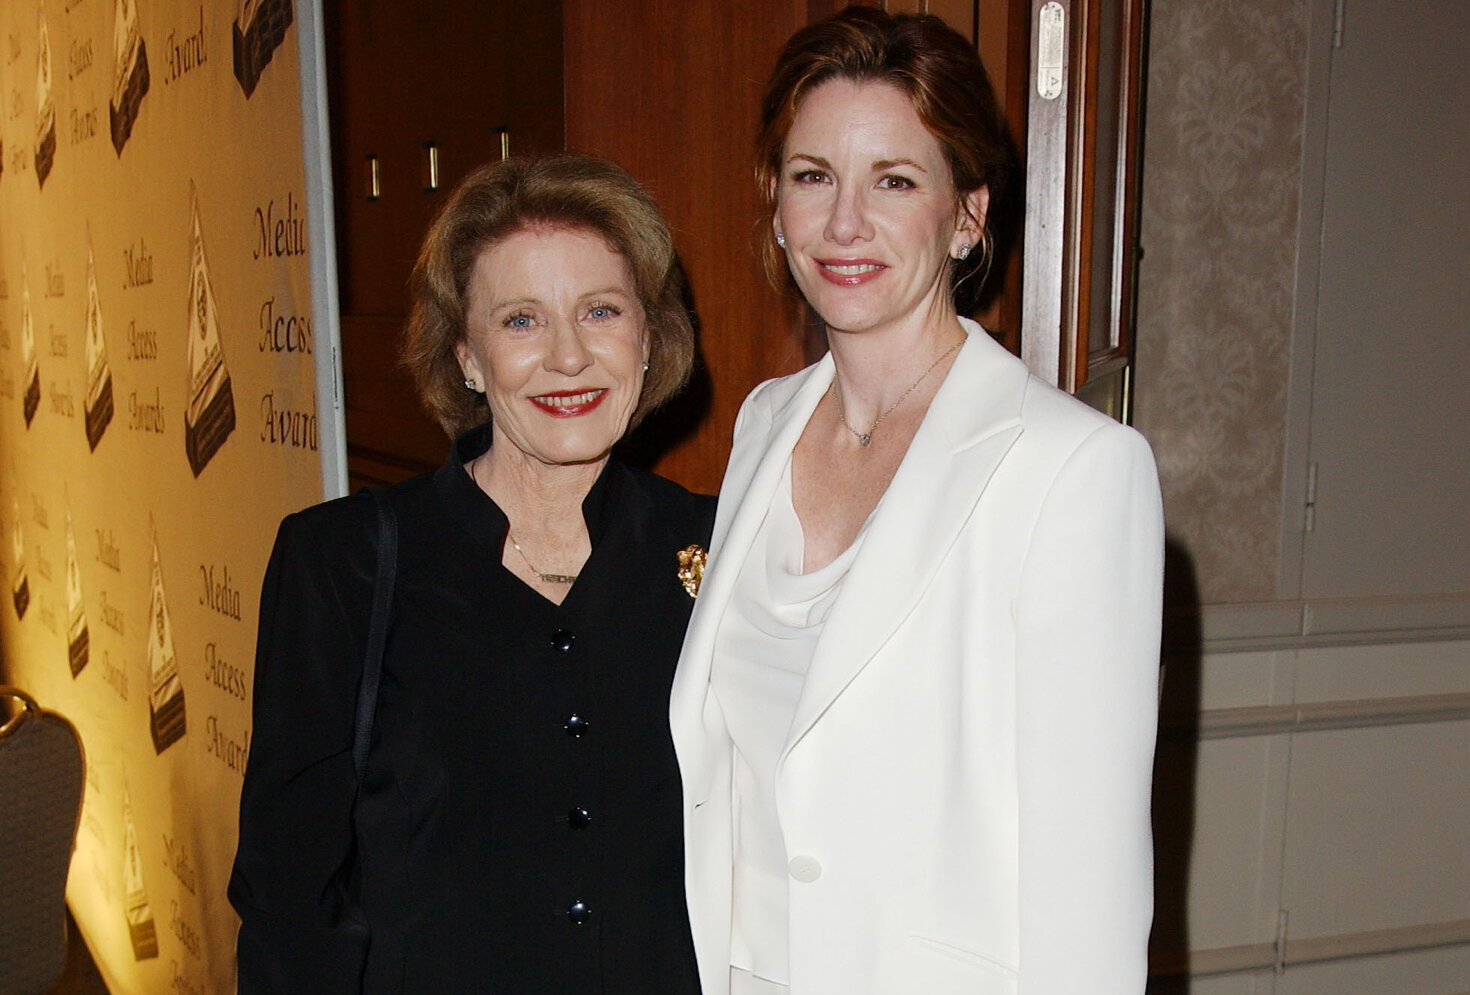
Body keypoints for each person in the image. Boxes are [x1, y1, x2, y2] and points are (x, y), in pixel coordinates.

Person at [669, 7, 1164, 994]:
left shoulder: (1073, 469)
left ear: (968, 211)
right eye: (814, 177)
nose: (844, 223)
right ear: (777, 203)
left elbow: (1090, 880)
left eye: (894, 180)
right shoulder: (766, 424)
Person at [229, 154, 710, 993]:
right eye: (522, 320)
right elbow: (288, 899)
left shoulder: (717, 547)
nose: (568, 356)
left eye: (600, 309)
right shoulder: (341, 564)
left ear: (648, 338)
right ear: (467, 357)